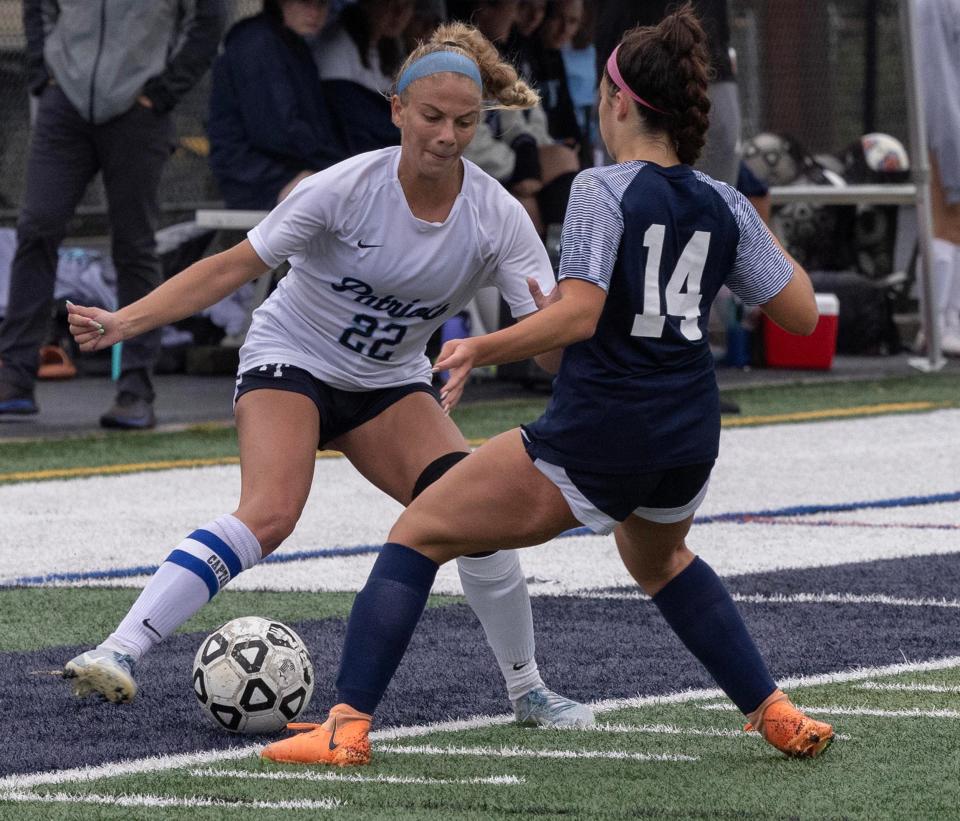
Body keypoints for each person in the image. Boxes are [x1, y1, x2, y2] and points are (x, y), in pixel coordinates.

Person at [257, 5, 835, 767]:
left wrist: (478, 345)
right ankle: (775, 708)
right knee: (661, 560)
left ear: (619, 102)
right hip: (690, 432)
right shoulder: (720, 201)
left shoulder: (602, 189)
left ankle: (346, 727)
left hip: (607, 426)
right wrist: (737, 227)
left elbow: (579, 316)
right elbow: (797, 310)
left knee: (418, 530)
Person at [62, 21, 593, 731]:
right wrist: (126, 321)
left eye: (465, 122)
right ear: (397, 109)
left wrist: (549, 328)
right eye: (431, 117)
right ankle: (119, 648)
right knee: (271, 512)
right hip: (293, 360)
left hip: (389, 385)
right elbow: (232, 267)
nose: (446, 135)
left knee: (477, 516)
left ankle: (528, 691)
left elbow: (552, 343)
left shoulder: (496, 214)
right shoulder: (344, 188)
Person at [0, 0, 225, 429]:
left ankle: (136, 387)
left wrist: (161, 93)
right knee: (36, 229)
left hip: (137, 109)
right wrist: (42, 77)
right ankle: (14, 377)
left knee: (134, 244)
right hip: (63, 102)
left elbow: (207, 21)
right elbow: (36, 7)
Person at [208, 0, 348, 211]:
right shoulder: (257, 42)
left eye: (322, 5)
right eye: (306, 3)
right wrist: (337, 166)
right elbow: (277, 131)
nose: (315, 13)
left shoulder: (294, 44)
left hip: (284, 169)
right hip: (254, 177)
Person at [918, 0, 960, 355]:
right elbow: (937, 78)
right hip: (946, 123)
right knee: (948, 219)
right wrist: (948, 138)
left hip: (948, 118)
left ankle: (949, 319)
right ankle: (937, 323)